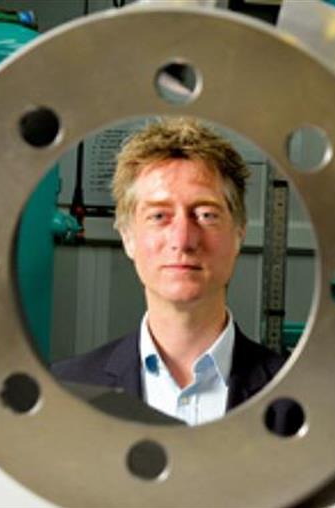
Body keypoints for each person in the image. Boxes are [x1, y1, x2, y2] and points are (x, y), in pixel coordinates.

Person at [53, 117, 286, 426]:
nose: (183, 239)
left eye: (206, 214)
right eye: (159, 216)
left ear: (239, 235)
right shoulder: (65, 393)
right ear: (128, 237)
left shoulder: (296, 396)